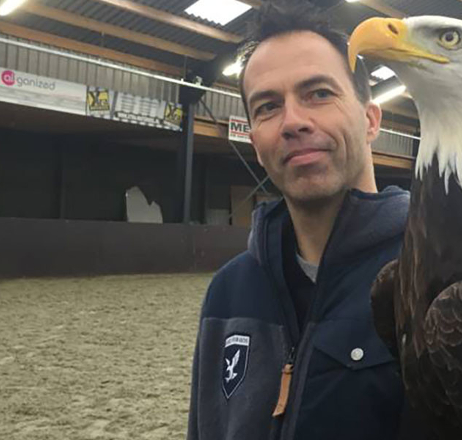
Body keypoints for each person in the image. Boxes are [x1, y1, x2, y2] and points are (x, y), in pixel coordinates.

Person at [187, 4, 419, 440]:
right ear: (255, 143)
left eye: (319, 94)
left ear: (370, 120)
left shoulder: (436, 282)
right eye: (268, 106)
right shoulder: (228, 292)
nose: (293, 122)